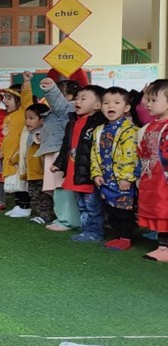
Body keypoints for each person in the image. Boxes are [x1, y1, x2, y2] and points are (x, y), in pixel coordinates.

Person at [90, 88, 139, 251]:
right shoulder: (99, 130)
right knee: (111, 209)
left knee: (124, 210)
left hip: (122, 180)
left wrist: (126, 177)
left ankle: (126, 238)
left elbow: (131, 156)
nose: (111, 106)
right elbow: (94, 154)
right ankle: (118, 235)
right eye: (106, 103)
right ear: (100, 106)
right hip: (106, 179)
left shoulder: (130, 130)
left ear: (126, 107)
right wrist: (96, 173)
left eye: (117, 103)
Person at [58, 84, 107, 244]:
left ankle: (95, 232)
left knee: (92, 206)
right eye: (77, 98)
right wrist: (59, 163)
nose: (77, 101)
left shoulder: (99, 122)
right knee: (82, 205)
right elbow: (66, 146)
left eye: (83, 99)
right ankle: (87, 230)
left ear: (98, 105)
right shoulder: (73, 121)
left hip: (88, 173)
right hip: (75, 172)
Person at [38, 78, 81, 232]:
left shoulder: (67, 107)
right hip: (53, 151)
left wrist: (50, 88)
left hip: (60, 153)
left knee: (62, 188)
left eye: (58, 92)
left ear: (69, 96)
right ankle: (62, 217)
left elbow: (58, 102)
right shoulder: (59, 111)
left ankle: (67, 220)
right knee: (57, 189)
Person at [136, 79, 168, 262]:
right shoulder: (153, 124)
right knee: (159, 209)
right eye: (148, 100)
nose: (148, 104)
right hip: (153, 177)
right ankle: (163, 245)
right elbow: (144, 151)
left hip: (163, 179)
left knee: (165, 210)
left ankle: (165, 247)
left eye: (153, 100)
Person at [1, 83, 33, 218]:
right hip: (9, 156)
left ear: (19, 100)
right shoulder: (8, 116)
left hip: (19, 155)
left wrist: (26, 82)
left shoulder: (23, 112)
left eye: (9, 98)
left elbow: (27, 98)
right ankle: (18, 205)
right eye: (4, 98)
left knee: (21, 182)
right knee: (14, 183)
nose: (4, 101)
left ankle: (25, 207)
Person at [21, 103, 54, 224]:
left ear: (42, 120)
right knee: (35, 195)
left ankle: (46, 216)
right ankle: (41, 214)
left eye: (31, 118)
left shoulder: (42, 133)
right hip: (32, 172)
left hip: (41, 173)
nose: (27, 121)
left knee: (43, 196)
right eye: (26, 118)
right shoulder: (30, 134)